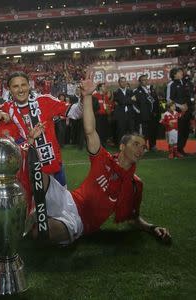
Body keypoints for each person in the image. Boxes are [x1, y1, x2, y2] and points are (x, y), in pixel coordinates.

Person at [30, 79, 171, 245]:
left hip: (79, 222)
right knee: (39, 173)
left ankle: (36, 217)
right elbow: (90, 131)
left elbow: (134, 219)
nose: (140, 149)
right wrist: (88, 95)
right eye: (136, 144)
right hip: (67, 199)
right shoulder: (103, 159)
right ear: (122, 146)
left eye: (143, 147)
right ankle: (28, 213)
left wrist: (152, 228)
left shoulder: (135, 185)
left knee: (40, 232)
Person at [1, 71, 71, 186]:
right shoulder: (7, 108)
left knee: (61, 203)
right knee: (35, 203)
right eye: (15, 86)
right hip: (28, 169)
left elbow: (74, 112)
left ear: (29, 85)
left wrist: (86, 97)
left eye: (23, 85)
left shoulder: (45, 100)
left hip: (54, 167)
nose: (20, 90)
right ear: (9, 89)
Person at [167, 67, 193, 156]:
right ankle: (176, 150)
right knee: (179, 131)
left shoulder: (185, 82)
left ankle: (181, 149)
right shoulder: (171, 84)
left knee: (186, 131)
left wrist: (189, 105)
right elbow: (169, 99)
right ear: (174, 74)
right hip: (178, 112)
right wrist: (180, 106)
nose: (182, 73)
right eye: (179, 72)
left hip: (187, 110)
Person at [134, 75, 160, 151]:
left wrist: (156, 111)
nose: (145, 81)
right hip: (143, 115)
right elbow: (134, 104)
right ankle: (143, 146)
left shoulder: (151, 90)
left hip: (153, 114)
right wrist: (139, 112)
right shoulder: (136, 91)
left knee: (153, 130)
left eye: (146, 79)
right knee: (144, 131)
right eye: (143, 80)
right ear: (140, 81)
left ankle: (153, 145)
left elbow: (156, 101)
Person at [113, 77, 136, 144]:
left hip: (130, 114)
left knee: (131, 131)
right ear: (119, 83)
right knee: (121, 131)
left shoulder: (130, 91)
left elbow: (133, 101)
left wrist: (126, 100)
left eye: (124, 81)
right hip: (121, 115)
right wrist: (130, 99)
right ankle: (121, 146)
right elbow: (121, 101)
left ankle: (131, 146)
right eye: (122, 81)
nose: (123, 83)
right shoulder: (116, 92)